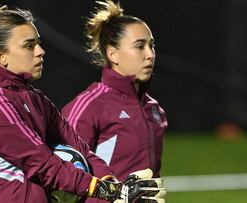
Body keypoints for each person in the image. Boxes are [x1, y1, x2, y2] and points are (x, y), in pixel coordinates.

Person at [0, 1, 164, 203]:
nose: (40, 51)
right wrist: (111, 192)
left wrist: (113, 184)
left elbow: (81, 149)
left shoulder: (34, 99)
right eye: (29, 45)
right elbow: (42, 164)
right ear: (1, 56)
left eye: (38, 43)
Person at [62, 0, 168, 202]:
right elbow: (63, 171)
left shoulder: (154, 109)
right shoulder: (90, 106)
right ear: (113, 54)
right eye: (139, 46)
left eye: (151, 46)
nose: (149, 54)